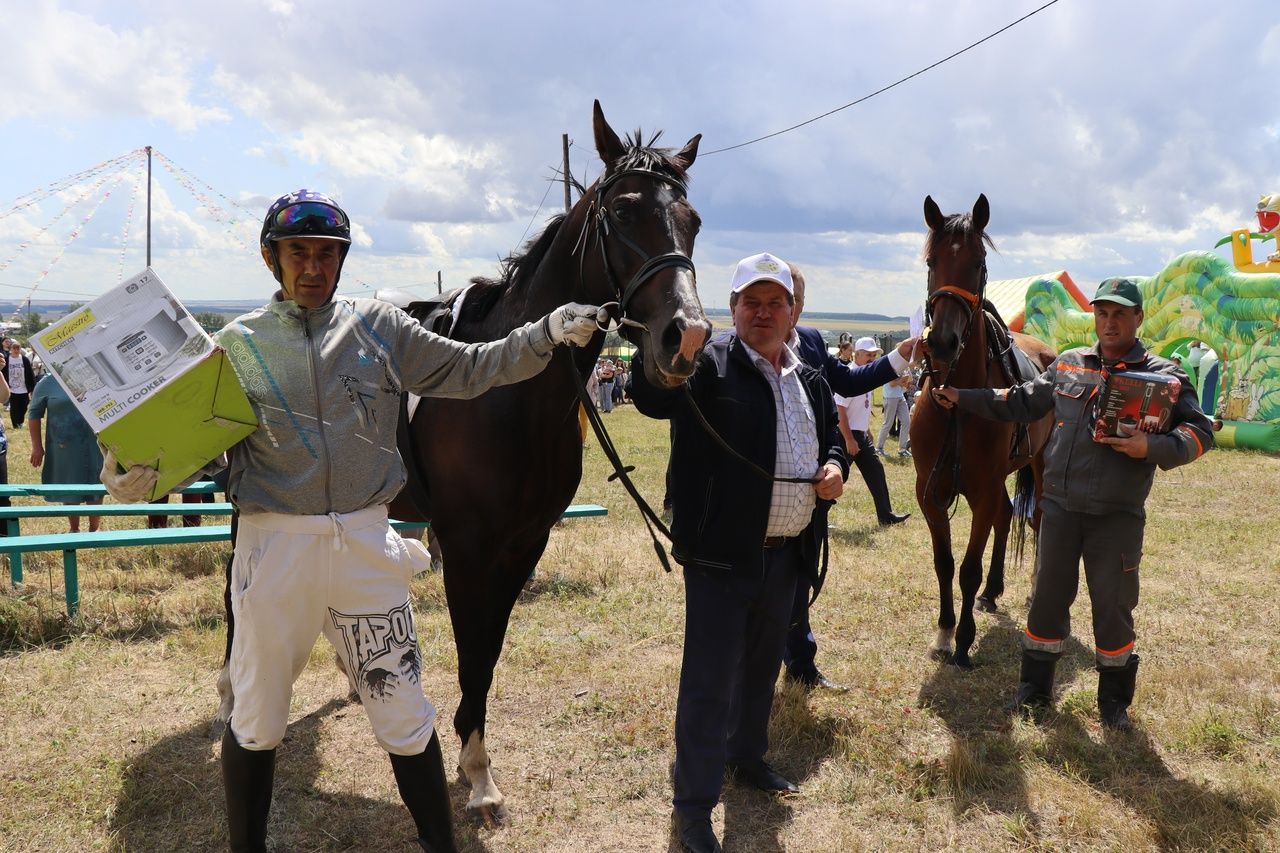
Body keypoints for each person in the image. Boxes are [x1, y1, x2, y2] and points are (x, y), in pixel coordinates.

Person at [99, 189, 602, 853]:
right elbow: (196, 452)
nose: (313, 266)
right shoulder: (233, 348)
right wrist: (136, 471)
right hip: (273, 547)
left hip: (366, 545)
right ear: (270, 258)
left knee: (403, 710)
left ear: (342, 260)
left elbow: (469, 368)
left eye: (327, 254)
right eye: (298, 252)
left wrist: (543, 333)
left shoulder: (381, 328)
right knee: (257, 717)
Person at [631, 252, 846, 853]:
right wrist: (679, 358)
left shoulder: (809, 375)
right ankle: (694, 807)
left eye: (775, 302)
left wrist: (835, 465)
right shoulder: (708, 367)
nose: (763, 312)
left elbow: (832, 437)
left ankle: (747, 758)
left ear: (793, 311)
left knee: (759, 670)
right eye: (751, 302)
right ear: (732, 310)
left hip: (785, 557)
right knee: (708, 683)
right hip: (722, 557)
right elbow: (649, 396)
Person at [932, 278, 1213, 731]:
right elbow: (1021, 400)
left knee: (1114, 608)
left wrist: (1152, 448)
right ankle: (1034, 693)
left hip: (1116, 517)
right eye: (1102, 313)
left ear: (1138, 319)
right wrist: (962, 397)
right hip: (1059, 511)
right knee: (1045, 603)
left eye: (1120, 313)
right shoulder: (1069, 365)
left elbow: (1200, 433)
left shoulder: (1166, 376)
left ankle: (1114, 705)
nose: (1109, 322)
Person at [783, 265, 914, 693]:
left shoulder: (812, 340)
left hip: (815, 484)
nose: (789, 309)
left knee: (803, 576)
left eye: (792, 300)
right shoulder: (733, 348)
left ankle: (801, 666)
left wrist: (901, 355)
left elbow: (850, 380)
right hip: (772, 487)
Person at [28, 376, 104, 532]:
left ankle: (94, 529)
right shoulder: (46, 383)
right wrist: (37, 447)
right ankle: (74, 528)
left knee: (96, 483)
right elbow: (34, 414)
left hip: (94, 441)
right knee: (69, 484)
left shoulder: (94, 375)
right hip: (62, 444)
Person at [876, 372, 912, 457]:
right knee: (888, 423)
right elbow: (892, 383)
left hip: (900, 396)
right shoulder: (890, 367)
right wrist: (902, 380)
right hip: (890, 397)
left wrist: (904, 380)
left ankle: (902, 449)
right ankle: (879, 448)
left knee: (906, 422)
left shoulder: (903, 367)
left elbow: (908, 380)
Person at [4, 340, 36, 428]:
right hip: (11, 388)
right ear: (11, 349)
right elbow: (3, 372)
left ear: (20, 349)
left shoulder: (24, 359)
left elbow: (30, 373)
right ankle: (15, 424)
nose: (16, 350)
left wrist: (32, 387)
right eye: (14, 348)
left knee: (24, 406)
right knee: (14, 407)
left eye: (18, 348)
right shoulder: (7, 359)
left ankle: (20, 421)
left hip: (23, 387)